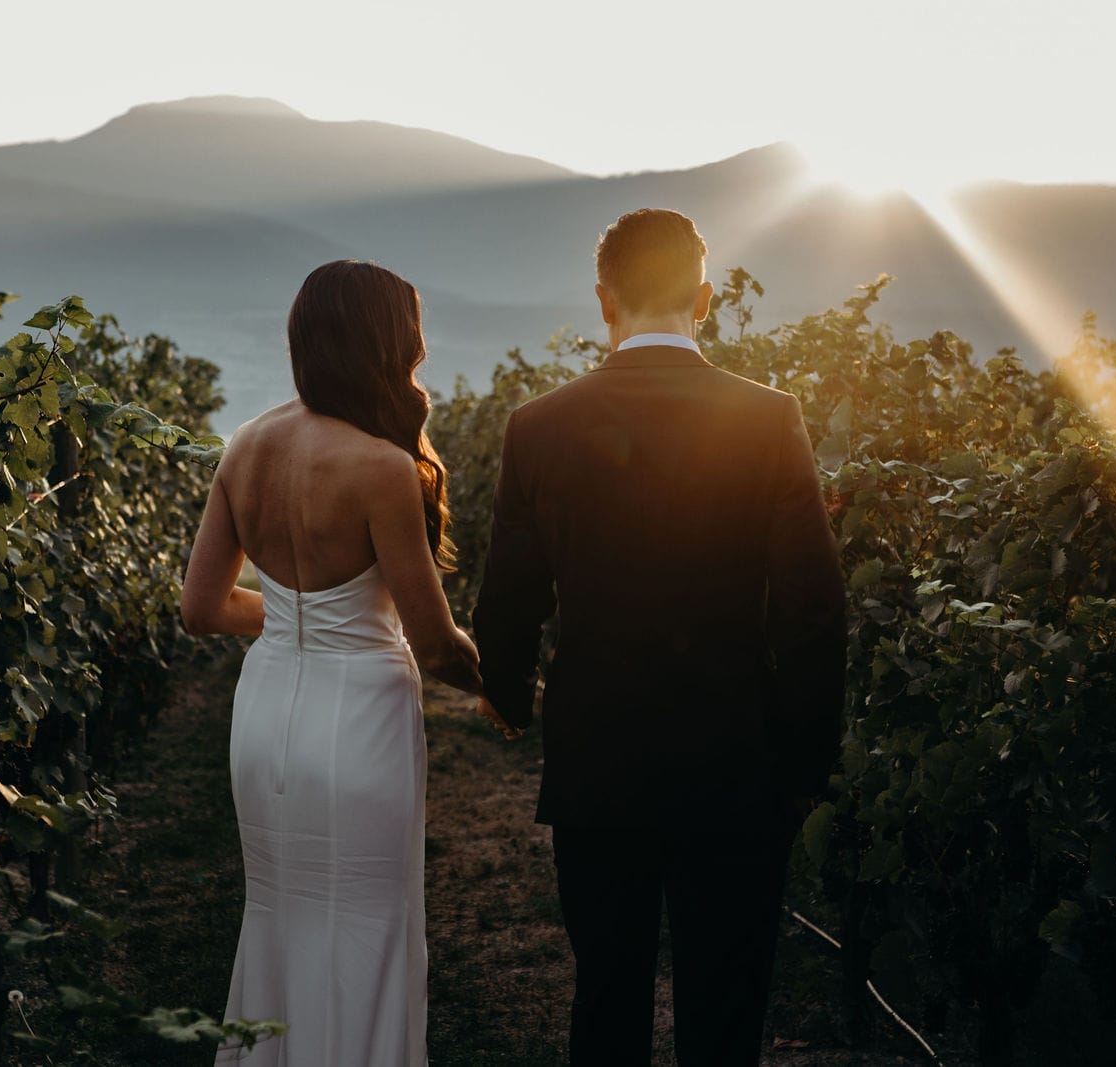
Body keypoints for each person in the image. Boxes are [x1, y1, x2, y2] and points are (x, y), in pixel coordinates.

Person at [472, 208, 847, 1066]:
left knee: (607, 992)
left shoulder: (538, 425)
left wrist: (509, 700)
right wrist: (803, 763)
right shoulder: (768, 418)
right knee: (726, 1004)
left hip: (598, 759)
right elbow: (814, 610)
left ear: (603, 301)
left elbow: (510, 600)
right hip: (736, 761)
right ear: (705, 300)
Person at [181, 259, 483, 1066]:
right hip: (359, 719)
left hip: (268, 705)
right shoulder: (382, 466)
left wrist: (291, 616)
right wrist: (503, 679)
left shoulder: (246, 445)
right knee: (364, 920)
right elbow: (434, 639)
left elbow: (201, 607)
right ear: (386, 344)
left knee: (279, 914)